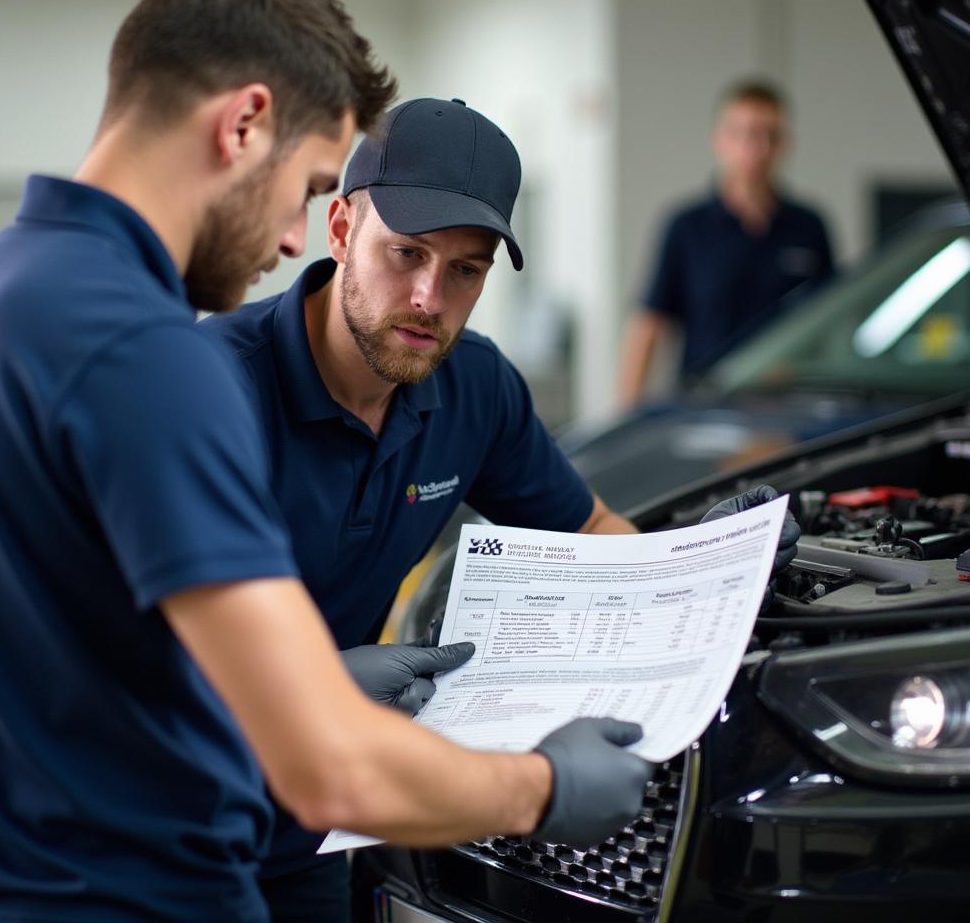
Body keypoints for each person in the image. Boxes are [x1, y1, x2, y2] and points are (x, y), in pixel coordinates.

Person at [0, 0, 658, 923]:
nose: (290, 236)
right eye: (310, 183)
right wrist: (539, 786)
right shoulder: (146, 355)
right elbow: (324, 766)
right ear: (243, 123)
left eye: (465, 269)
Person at [201, 96, 802, 921]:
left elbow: (591, 534)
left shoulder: (474, 388)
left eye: (466, 270)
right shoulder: (208, 391)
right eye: (405, 252)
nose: (427, 298)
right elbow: (107, 651)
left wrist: (705, 563)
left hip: (316, 826)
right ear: (339, 229)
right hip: (162, 822)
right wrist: (311, 687)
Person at [617, 79, 836, 408]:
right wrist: (626, 412)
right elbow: (650, 322)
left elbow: (831, 321)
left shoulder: (809, 226)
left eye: (769, 135)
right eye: (744, 133)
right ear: (720, 140)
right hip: (704, 407)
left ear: (785, 144)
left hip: (789, 408)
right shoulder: (686, 227)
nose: (757, 147)